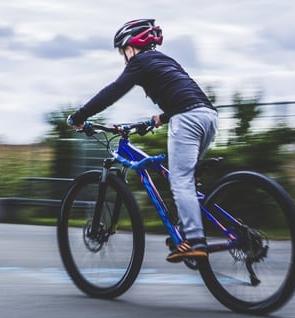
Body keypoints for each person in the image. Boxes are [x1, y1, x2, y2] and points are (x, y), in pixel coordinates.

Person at [68, 18, 218, 263]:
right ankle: (185, 230)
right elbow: (185, 94)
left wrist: (80, 116)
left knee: (179, 181)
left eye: (122, 51)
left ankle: (195, 240)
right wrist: (160, 118)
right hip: (208, 117)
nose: (124, 57)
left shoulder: (139, 62)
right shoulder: (165, 60)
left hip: (187, 120)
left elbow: (113, 91)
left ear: (130, 47)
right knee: (186, 180)